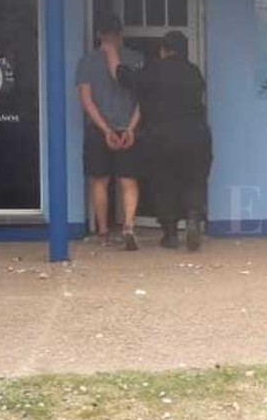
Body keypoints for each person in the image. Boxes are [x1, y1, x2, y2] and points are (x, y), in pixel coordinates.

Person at [113, 31, 212, 251]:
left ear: (163, 49)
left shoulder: (154, 69)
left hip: (162, 137)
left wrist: (113, 57)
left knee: (164, 183)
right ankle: (193, 217)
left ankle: (170, 234)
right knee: (194, 180)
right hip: (196, 136)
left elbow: (127, 79)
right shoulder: (194, 72)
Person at [76, 13, 144, 251]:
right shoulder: (137, 59)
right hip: (128, 126)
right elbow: (144, 100)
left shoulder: (86, 62)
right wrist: (131, 128)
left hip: (98, 129)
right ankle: (128, 226)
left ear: (98, 34)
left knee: (99, 180)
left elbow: (86, 100)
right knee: (128, 180)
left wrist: (105, 129)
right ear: (120, 33)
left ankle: (103, 232)